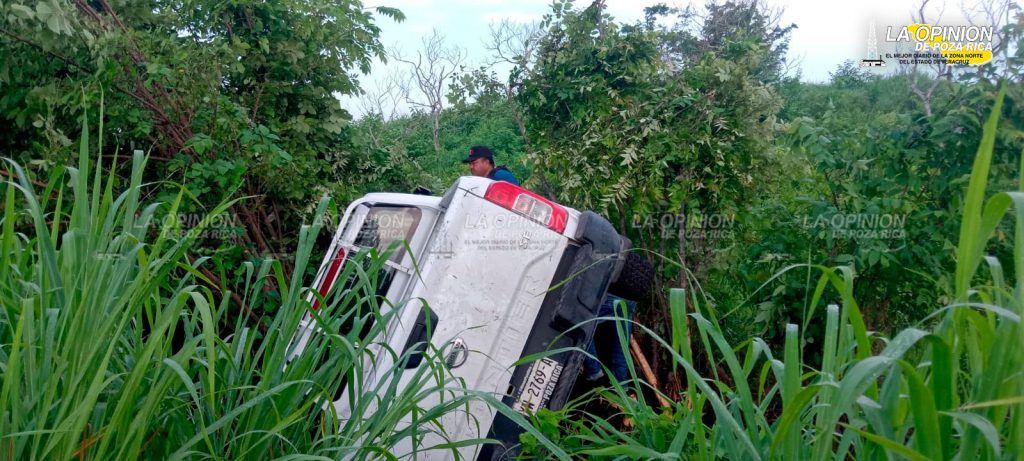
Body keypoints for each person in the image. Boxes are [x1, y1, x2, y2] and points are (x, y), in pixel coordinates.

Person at [582, 293, 636, 389]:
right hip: (632, 298)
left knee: (579, 319)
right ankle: (620, 384)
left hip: (613, 295)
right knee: (622, 341)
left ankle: (594, 371)